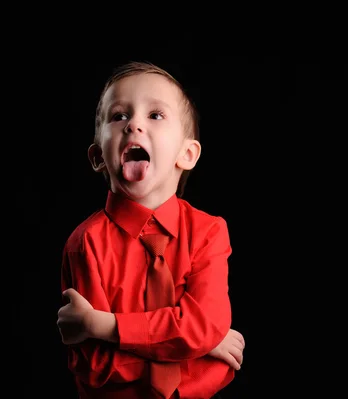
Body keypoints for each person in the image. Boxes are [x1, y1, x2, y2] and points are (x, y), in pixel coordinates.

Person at [57, 61, 245, 399]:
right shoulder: (84, 244)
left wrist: (103, 325)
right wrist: (196, 350)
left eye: (155, 115)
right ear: (98, 155)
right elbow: (96, 364)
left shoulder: (208, 233)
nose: (133, 126)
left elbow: (204, 325)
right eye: (119, 116)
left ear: (186, 154)